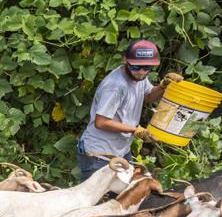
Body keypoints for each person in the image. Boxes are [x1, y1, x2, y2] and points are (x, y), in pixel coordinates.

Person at [76, 39, 184, 181]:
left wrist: (163, 86)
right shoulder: (115, 87)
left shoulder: (139, 77)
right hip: (98, 154)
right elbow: (101, 122)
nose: (140, 72)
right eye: (136, 67)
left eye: (146, 68)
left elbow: (149, 96)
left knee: (127, 198)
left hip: (121, 150)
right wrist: (135, 130)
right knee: (97, 201)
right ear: (125, 61)